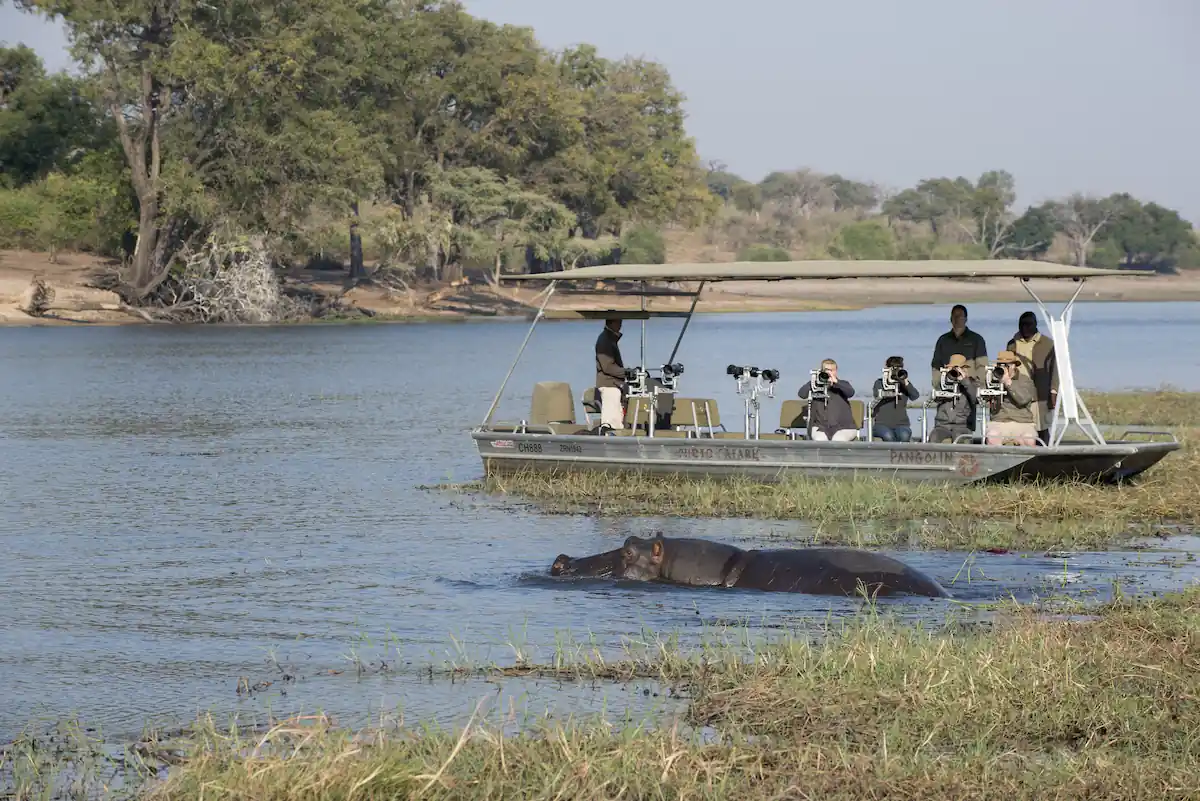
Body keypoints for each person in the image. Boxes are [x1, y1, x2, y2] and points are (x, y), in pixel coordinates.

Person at [930, 304, 988, 431]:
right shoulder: (943, 340)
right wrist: (939, 384)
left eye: (960, 316)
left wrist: (974, 386)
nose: (957, 319)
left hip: (968, 391)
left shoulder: (976, 340)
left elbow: (982, 367)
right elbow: (935, 366)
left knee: (964, 429)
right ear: (950, 319)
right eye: (954, 316)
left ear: (966, 319)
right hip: (947, 391)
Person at [1006, 311, 1058, 445]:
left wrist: (1054, 391)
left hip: (1040, 394)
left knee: (1042, 430)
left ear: (1035, 325)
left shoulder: (1047, 344)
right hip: (1019, 394)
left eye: (1029, 324)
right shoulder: (1012, 344)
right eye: (1022, 325)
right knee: (1022, 431)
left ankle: (1046, 456)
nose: (1025, 328)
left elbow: (1055, 370)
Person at [797, 358, 859, 441]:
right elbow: (801, 394)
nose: (829, 373)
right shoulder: (815, 386)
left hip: (844, 427)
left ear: (836, 371)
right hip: (820, 427)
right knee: (820, 439)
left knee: (838, 440)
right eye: (826, 371)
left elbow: (850, 393)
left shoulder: (843, 384)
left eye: (832, 370)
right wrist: (814, 381)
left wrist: (836, 382)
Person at [985, 350, 1038, 446]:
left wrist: (1008, 382)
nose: (1003, 368)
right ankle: (995, 461)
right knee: (992, 437)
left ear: (1013, 366)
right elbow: (983, 399)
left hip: (1022, 422)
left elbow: (1023, 400)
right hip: (1000, 421)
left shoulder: (1025, 380)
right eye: (1000, 365)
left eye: (1006, 365)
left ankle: (1027, 461)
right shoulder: (992, 379)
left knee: (1028, 439)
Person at [928, 354, 978, 444]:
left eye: (957, 370)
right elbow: (935, 398)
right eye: (952, 370)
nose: (955, 373)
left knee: (962, 441)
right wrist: (946, 380)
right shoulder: (943, 383)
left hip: (962, 425)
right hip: (943, 425)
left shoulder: (971, 384)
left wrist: (964, 381)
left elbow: (976, 398)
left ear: (964, 370)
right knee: (934, 437)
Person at [871, 355, 920, 442]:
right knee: (888, 436)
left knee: (904, 436)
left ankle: (901, 455)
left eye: (899, 369)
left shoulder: (904, 384)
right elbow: (876, 395)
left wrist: (905, 382)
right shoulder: (879, 383)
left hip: (901, 424)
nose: (896, 372)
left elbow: (915, 396)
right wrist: (888, 382)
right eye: (894, 369)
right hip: (881, 424)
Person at [594, 318, 626, 430]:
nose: (621, 325)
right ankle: (609, 437)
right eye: (619, 322)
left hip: (614, 384)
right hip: (609, 385)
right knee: (611, 421)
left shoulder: (610, 339)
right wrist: (625, 372)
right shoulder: (605, 340)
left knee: (616, 416)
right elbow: (607, 367)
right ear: (612, 322)